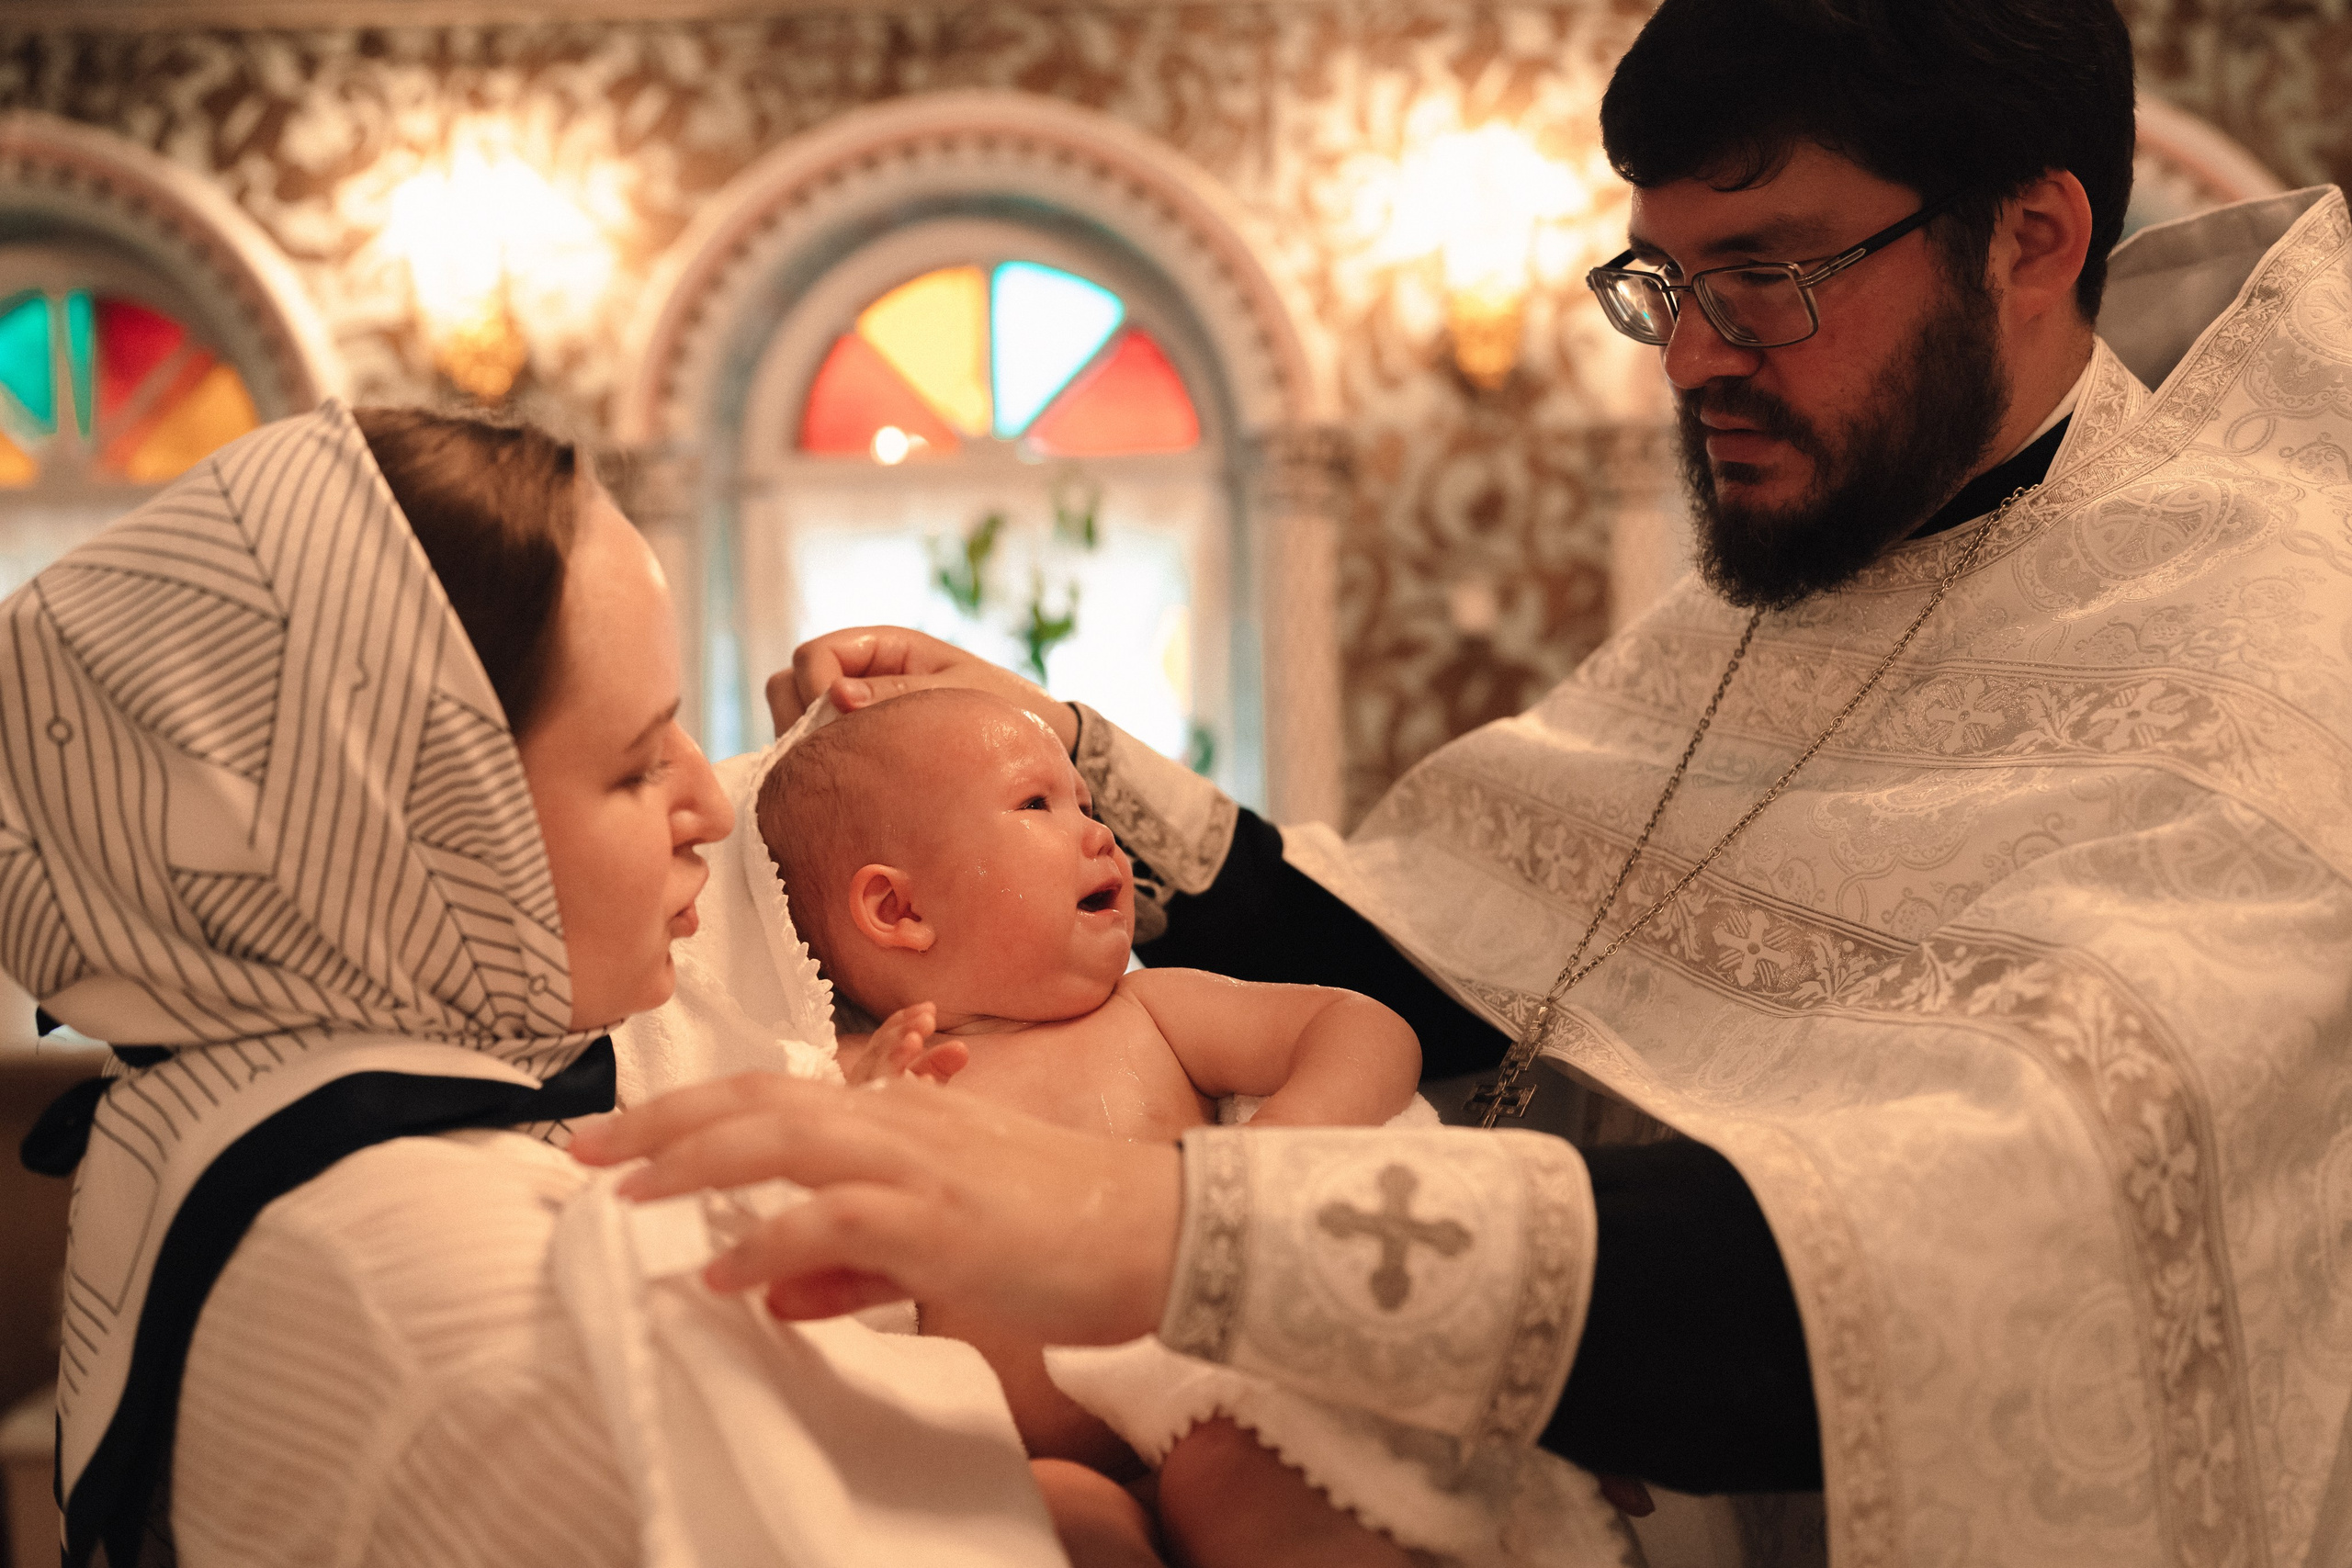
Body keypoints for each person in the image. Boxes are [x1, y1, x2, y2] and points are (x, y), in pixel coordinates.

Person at [577, 1, 2352, 1563]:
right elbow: (1469, 969)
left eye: (1770, 277)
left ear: (2031, 237)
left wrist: (1157, 1222)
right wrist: (1052, 751)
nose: (1694, 353)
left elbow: (1951, 1258)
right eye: (1667, 279)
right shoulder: (1820, 561)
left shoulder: (2269, 646)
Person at [10, 404, 1101, 1568]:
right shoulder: (482, 1309)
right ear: (423, 829)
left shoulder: (215, 1103)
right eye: (638, 763)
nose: (713, 808)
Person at [759, 685, 1434, 1566]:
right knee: (1061, 1519)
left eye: (1084, 798)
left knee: (1256, 1478)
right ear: (899, 910)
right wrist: (862, 1119)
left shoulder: (1148, 1010)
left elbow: (1365, 1028)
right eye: (1037, 803)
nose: (1099, 830)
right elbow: (793, 1267)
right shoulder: (860, 1071)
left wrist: (1268, 1155)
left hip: (1215, 1401)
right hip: (1026, 1457)